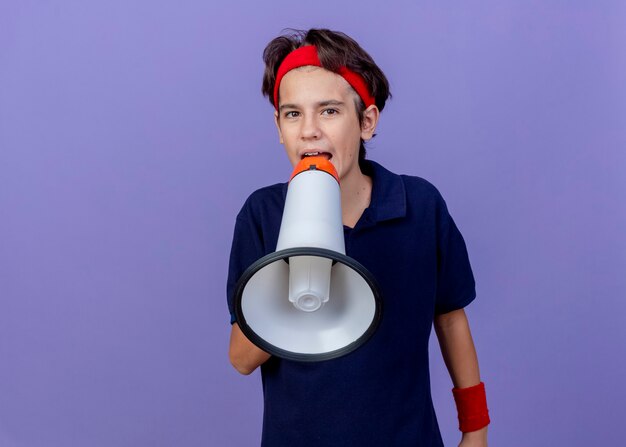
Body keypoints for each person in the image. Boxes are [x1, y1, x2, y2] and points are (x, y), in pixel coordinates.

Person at [227, 28, 490, 446]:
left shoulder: (420, 206)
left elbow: (451, 317)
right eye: (292, 114)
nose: (309, 131)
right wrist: (297, 260)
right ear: (279, 127)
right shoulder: (262, 215)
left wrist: (475, 430)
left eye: (329, 111)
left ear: (366, 122)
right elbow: (241, 359)